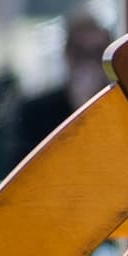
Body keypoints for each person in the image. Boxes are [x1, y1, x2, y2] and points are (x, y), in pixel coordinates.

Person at [12, 14, 112, 160]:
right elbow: (25, 165)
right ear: (67, 55)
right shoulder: (36, 111)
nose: (88, 63)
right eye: (80, 53)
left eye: (97, 53)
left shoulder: (121, 108)